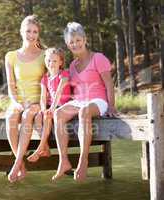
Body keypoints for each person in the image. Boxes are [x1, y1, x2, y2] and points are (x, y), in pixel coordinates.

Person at [52, 22, 117, 182]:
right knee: (58, 113)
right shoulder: (73, 65)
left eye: (78, 40)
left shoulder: (98, 58)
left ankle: (83, 160)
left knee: (84, 112)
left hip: (98, 100)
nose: (75, 44)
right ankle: (64, 161)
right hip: (80, 101)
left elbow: (109, 83)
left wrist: (112, 106)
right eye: (71, 42)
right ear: (68, 45)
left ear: (85, 39)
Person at [5, 15, 46, 183]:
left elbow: (50, 82)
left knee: (25, 116)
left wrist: (40, 104)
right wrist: (16, 102)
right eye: (28, 31)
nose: (31, 35)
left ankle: (16, 164)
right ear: (21, 32)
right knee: (11, 116)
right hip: (19, 100)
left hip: (38, 101)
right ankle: (20, 162)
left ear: (38, 33)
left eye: (35, 31)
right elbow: (10, 84)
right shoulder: (11, 56)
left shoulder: (45, 54)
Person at [27, 48, 71, 163]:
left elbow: (59, 92)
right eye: (49, 60)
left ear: (61, 62)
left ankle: (40, 148)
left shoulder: (64, 75)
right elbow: (43, 97)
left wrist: (51, 109)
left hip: (63, 105)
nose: (51, 63)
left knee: (48, 116)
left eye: (55, 61)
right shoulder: (45, 78)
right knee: (38, 117)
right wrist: (43, 109)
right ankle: (45, 147)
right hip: (52, 105)